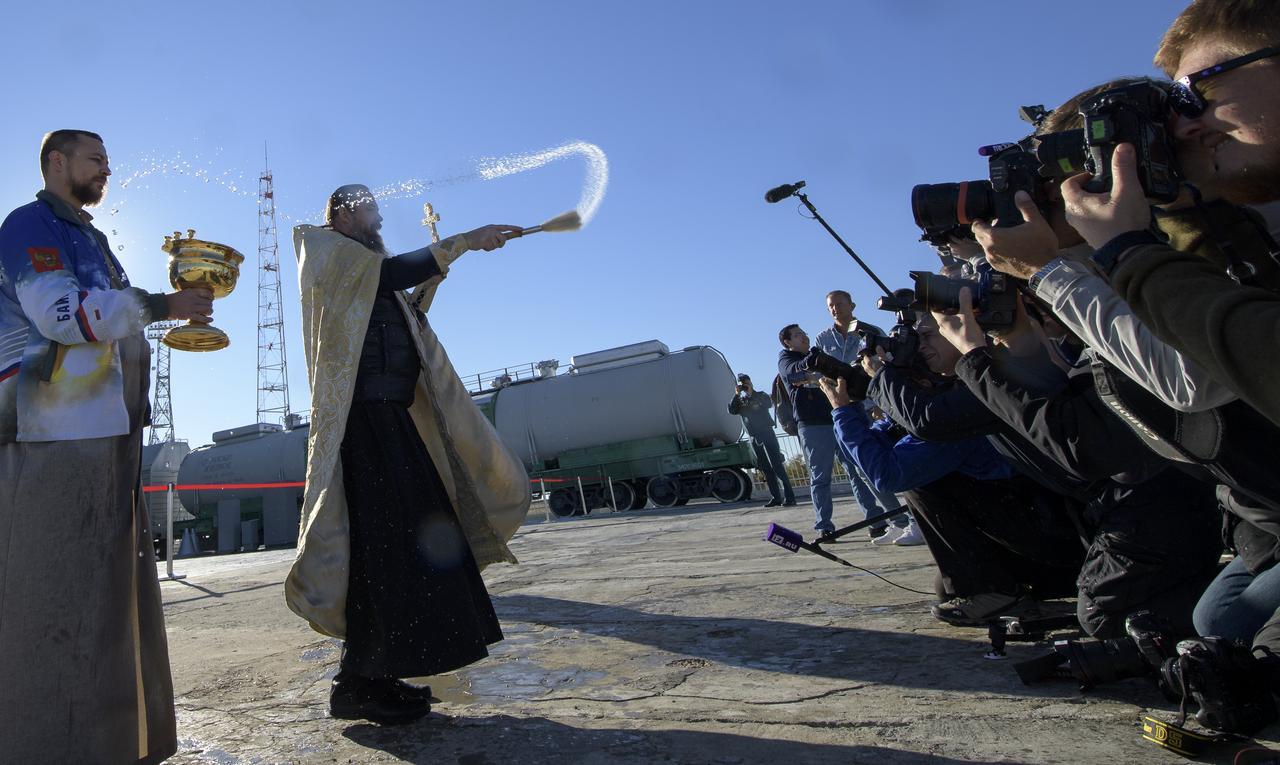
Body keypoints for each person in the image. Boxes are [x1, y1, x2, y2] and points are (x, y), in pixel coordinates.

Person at [0, 130, 212, 763]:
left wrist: (169, 313)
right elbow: (61, 313)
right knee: (52, 596)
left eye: (110, 163)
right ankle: (42, 743)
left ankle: (108, 739)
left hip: (104, 435)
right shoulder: (28, 226)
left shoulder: (90, 238)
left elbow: (113, 318)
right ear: (57, 162)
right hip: (49, 437)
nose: (107, 172)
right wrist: (162, 302)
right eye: (96, 160)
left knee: (105, 597)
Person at [287, 184, 531, 724]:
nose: (376, 218)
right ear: (343, 214)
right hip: (364, 424)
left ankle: (374, 676)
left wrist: (429, 284)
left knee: (402, 551)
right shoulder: (323, 248)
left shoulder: (367, 266)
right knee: (387, 552)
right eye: (367, 210)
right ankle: (359, 681)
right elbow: (390, 276)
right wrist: (464, 241)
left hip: (391, 420)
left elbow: (395, 304)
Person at [818, 316, 1082, 625]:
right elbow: (889, 438)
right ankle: (997, 585)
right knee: (947, 587)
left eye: (929, 336)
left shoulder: (969, 395)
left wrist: (846, 412)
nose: (922, 347)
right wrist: (860, 404)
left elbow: (887, 474)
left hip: (1057, 541)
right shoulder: (961, 388)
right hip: (1039, 531)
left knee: (920, 483)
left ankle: (996, 591)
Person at [777, 324, 919, 544]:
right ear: (788, 342)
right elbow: (793, 373)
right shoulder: (786, 358)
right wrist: (818, 365)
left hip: (838, 417)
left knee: (861, 471)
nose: (804, 337)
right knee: (820, 478)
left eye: (804, 333)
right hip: (813, 425)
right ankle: (824, 526)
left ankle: (886, 521)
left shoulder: (816, 353)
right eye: (797, 335)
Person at [812, 291, 914, 542]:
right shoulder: (822, 338)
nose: (835, 309)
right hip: (846, 405)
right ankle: (897, 520)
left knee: (899, 457)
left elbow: (881, 366)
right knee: (863, 467)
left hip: (872, 403)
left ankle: (916, 518)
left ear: (852, 305)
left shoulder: (869, 330)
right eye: (830, 306)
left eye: (839, 304)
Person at [728, 373, 796, 507]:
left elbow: (768, 403)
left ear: (751, 382)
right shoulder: (740, 401)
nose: (745, 386)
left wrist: (751, 392)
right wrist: (736, 394)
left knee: (777, 465)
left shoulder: (760, 395)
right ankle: (776, 497)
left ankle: (790, 497)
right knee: (765, 468)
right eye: (742, 384)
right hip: (753, 437)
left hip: (766, 433)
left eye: (746, 383)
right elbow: (731, 410)